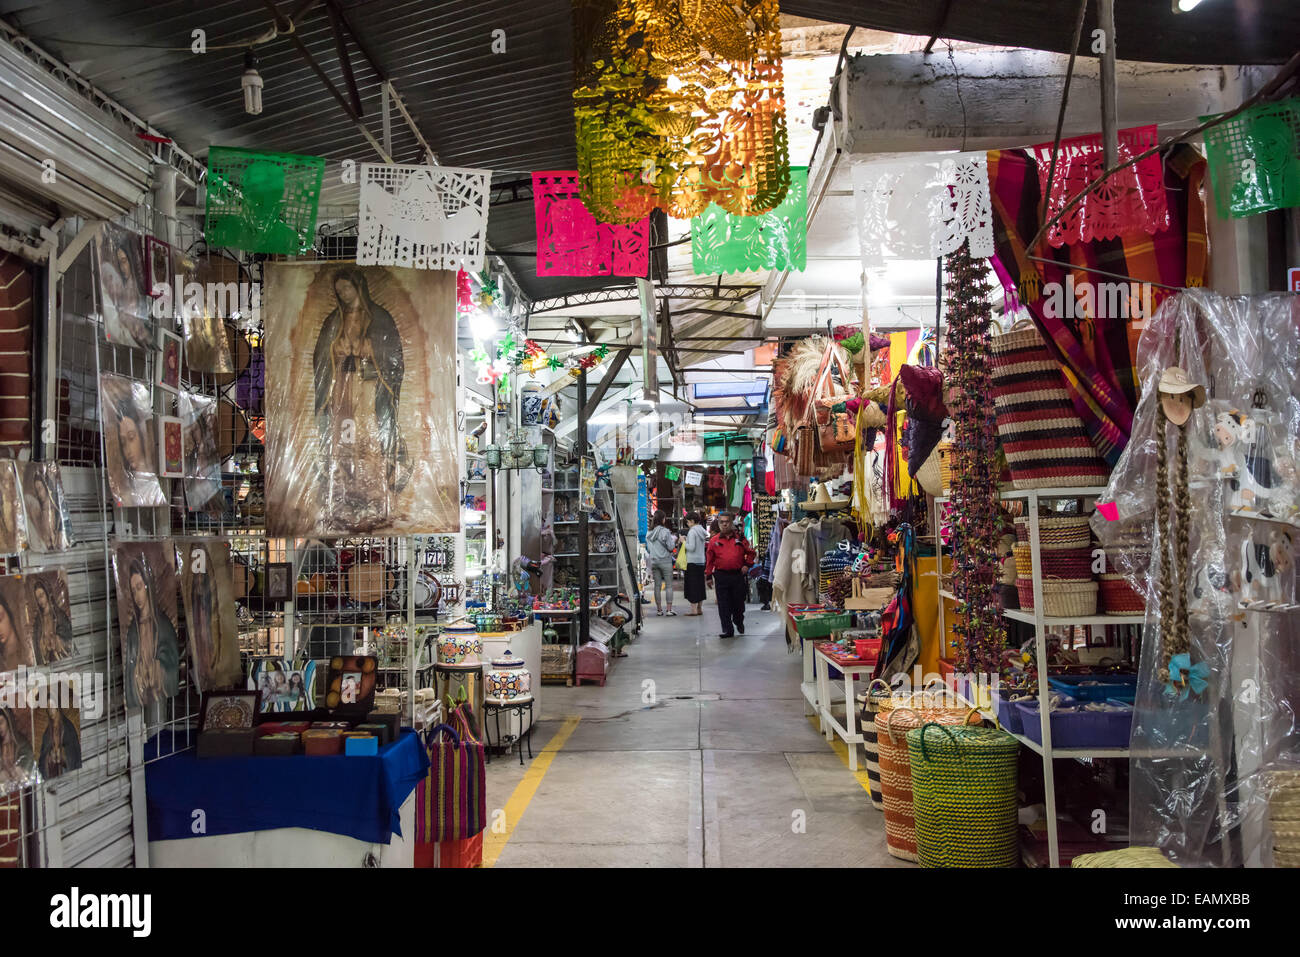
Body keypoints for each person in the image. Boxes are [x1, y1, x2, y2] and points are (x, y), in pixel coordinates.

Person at [313, 268, 407, 531]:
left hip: (369, 389)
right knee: (343, 440)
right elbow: (321, 357)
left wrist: (371, 350)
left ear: (359, 288)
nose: (343, 294)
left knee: (370, 440)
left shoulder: (379, 319)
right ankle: (342, 498)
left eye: (347, 289)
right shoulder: (334, 320)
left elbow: (394, 357)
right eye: (339, 290)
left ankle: (375, 498)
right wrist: (335, 351)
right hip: (343, 387)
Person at [121, 554, 180, 709]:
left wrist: (157, 668)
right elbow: (130, 672)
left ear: (148, 586)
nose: (137, 596)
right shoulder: (133, 630)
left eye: (139, 587)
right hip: (142, 700)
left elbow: (172, 662)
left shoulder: (164, 625)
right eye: (133, 591)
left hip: (159, 697)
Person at [705, 511, 756, 638]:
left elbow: (751, 553)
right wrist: (708, 576)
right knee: (723, 604)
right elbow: (709, 560)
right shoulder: (714, 541)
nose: (724, 525)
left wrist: (747, 565)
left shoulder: (740, 539)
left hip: (737, 576)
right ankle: (728, 630)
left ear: (731, 523)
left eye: (727, 522)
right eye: (721, 522)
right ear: (718, 524)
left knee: (738, 604)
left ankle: (738, 621)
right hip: (721, 576)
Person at [31, 578, 73, 665]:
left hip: (61, 660)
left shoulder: (59, 614)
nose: (40, 600)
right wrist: (42, 645)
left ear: (47, 593)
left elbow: (68, 633)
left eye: (42, 595)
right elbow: (36, 645)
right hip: (47, 662)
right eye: (38, 598)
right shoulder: (38, 622)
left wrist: (58, 639)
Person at [645, 510, 678, 616]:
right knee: (669, 586)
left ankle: (659, 610)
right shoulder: (665, 532)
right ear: (663, 519)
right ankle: (668, 610)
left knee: (657, 586)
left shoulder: (649, 533)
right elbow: (671, 547)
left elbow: (649, 549)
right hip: (665, 561)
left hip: (654, 561)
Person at [37, 706, 81, 779]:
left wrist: (62, 753)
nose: (50, 710)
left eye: (52, 707)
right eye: (48, 708)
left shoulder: (68, 727)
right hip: (53, 773)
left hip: (66, 773)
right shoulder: (47, 732)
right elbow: (42, 757)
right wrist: (49, 756)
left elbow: (74, 753)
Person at [682, 511, 710, 616]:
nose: (688, 524)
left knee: (692, 585)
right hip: (701, 561)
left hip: (692, 561)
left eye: (688, 522)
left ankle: (693, 610)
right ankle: (699, 608)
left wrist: (683, 542)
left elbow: (691, 547)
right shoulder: (702, 531)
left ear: (692, 521)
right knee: (700, 585)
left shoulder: (692, 531)